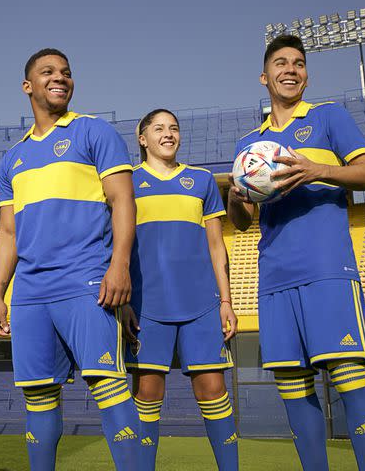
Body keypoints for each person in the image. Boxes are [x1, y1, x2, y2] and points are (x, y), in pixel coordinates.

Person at [228, 34, 365, 470]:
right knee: (294, 390)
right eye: (281, 63)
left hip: (327, 270)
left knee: (351, 381)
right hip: (275, 278)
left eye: (298, 63)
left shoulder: (329, 117)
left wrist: (319, 170)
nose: (290, 69)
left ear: (306, 76)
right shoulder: (249, 147)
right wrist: (235, 196)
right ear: (264, 76)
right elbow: (240, 221)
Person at [0, 48, 140, 470]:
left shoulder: (94, 132)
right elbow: (8, 233)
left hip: (86, 281)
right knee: (38, 398)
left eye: (67, 72)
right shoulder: (11, 158)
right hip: (32, 293)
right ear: (27, 86)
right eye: (48, 72)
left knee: (108, 388)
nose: (60, 78)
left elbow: (123, 200)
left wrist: (120, 264)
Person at [124, 109, 238, 470]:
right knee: (146, 394)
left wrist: (226, 302)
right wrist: (124, 302)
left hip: (202, 305)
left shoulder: (202, 180)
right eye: (158, 128)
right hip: (145, 308)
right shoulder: (126, 182)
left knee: (214, 392)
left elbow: (217, 246)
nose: (168, 134)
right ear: (143, 139)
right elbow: (117, 246)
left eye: (173, 128)